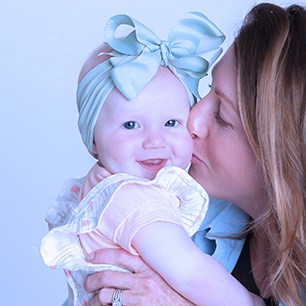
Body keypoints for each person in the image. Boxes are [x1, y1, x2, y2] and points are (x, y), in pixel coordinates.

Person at [82, 3, 306, 306]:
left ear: (280, 152)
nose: (193, 119)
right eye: (207, 89)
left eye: (222, 116)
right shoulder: (178, 209)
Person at [41, 12, 264, 306]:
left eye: (171, 122)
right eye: (131, 125)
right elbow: (192, 272)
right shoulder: (132, 198)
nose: (155, 141)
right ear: (92, 138)